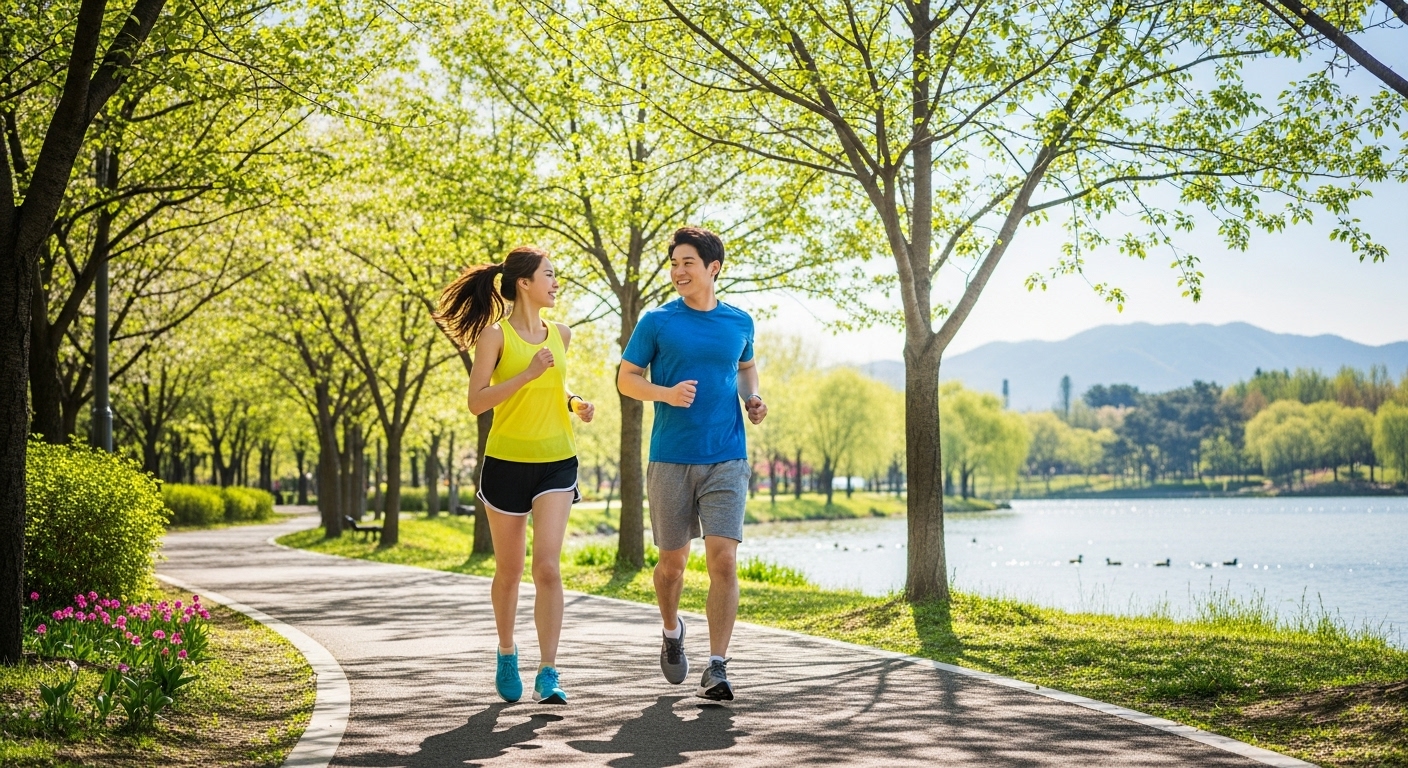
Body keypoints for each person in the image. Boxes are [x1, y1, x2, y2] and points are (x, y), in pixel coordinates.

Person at [435, 245, 595, 706]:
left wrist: (574, 403)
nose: (556, 283)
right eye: (549, 274)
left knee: (547, 566)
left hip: (557, 460)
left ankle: (548, 671)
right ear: (524, 282)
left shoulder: (560, 334)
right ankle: (507, 652)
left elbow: (556, 384)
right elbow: (477, 401)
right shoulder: (494, 336)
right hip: (506, 462)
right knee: (509, 571)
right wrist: (525, 374)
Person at [618, 226, 767, 702]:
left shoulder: (739, 322)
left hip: (727, 455)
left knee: (723, 559)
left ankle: (718, 666)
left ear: (712, 268)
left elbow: (745, 367)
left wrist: (753, 398)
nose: (679, 271)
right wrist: (665, 393)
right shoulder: (657, 322)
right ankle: (671, 629)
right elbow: (626, 379)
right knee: (672, 565)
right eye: (674, 264)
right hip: (671, 458)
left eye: (688, 263)